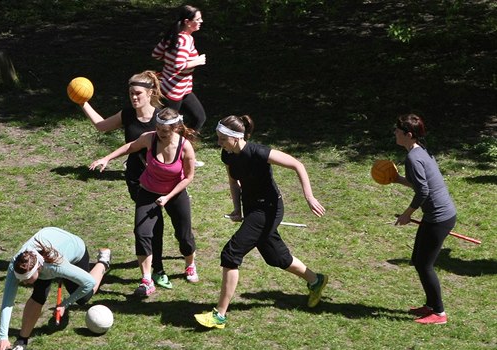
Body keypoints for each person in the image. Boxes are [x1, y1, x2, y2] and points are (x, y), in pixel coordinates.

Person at [194, 115, 327, 329]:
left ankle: (219, 315)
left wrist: (309, 197)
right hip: (251, 208)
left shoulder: (258, 152)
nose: (218, 143)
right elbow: (234, 181)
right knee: (276, 256)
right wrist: (237, 208)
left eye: (222, 139)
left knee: (231, 253)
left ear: (235, 138)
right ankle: (316, 280)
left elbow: (296, 164)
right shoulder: (228, 154)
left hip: (269, 209)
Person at [90, 108, 199, 296]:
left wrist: (168, 197)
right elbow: (130, 147)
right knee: (142, 233)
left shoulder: (185, 146)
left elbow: (188, 177)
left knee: (184, 235)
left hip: (175, 193)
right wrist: (106, 158)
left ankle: (190, 265)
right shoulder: (150, 138)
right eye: (158, 129)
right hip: (148, 191)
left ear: (175, 128)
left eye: (165, 131)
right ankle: (147, 279)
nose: (161, 134)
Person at [78, 70, 173, 289]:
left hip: (162, 179)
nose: (134, 97)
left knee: (168, 225)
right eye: (131, 93)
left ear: (150, 93)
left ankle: (172, 263)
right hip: (136, 179)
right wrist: (82, 102)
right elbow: (101, 126)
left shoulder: (162, 117)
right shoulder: (127, 115)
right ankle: (155, 270)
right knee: (152, 222)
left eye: (138, 93)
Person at [0, 227, 111, 350]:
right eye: (21, 279)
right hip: (48, 255)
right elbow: (7, 301)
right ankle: (22, 342)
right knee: (38, 295)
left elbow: (89, 283)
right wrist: (3, 337)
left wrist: (65, 304)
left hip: (75, 250)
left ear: (37, 269)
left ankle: (103, 261)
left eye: (27, 279)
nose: (24, 283)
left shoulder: (57, 266)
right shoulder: (15, 266)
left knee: (84, 298)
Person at [393, 113, 456, 325]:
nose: (394, 133)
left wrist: (406, 214)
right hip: (437, 215)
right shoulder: (421, 152)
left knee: (425, 264)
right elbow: (422, 185)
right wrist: (398, 179)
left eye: (397, 130)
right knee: (418, 260)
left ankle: (439, 313)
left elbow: (423, 193)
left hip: (440, 218)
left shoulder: (413, 157)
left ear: (408, 135)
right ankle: (430, 306)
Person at [152, 4, 207, 166]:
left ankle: (183, 151)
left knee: (199, 117)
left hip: (180, 89)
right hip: (174, 91)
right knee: (166, 127)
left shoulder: (172, 35)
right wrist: (197, 60)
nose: (201, 21)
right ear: (187, 22)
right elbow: (179, 64)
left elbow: (156, 54)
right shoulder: (184, 40)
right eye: (198, 19)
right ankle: (151, 156)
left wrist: (168, 61)